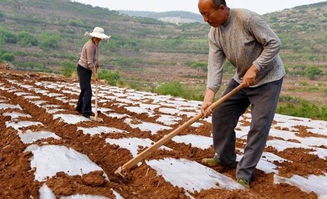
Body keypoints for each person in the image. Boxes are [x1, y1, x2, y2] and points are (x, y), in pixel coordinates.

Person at [198, 0, 285, 188]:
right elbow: (215, 68)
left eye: (207, 14)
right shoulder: (215, 34)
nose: (205, 19)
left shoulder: (247, 19)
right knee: (221, 113)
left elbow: (274, 43)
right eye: (202, 15)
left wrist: (256, 67)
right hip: (241, 79)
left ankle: (244, 174)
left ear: (221, 8)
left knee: (258, 126)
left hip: (268, 79)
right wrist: (208, 100)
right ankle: (225, 158)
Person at [76, 27, 110, 118]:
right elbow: (90, 62)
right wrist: (95, 74)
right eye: (98, 37)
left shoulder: (96, 44)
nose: (100, 39)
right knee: (87, 91)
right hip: (83, 68)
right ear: (94, 37)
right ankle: (86, 111)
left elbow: (94, 57)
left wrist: (97, 63)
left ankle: (79, 108)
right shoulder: (90, 46)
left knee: (84, 89)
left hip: (87, 69)